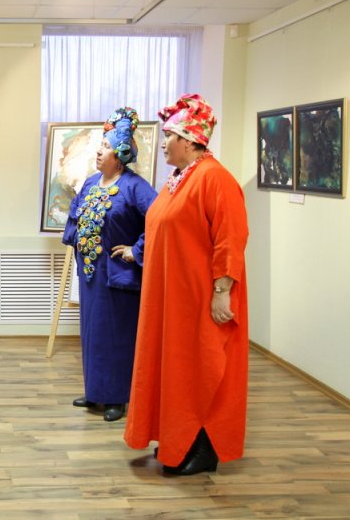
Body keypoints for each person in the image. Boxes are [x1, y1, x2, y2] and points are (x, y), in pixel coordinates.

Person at [123, 94, 249, 476]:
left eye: (169, 136)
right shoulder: (179, 178)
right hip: (171, 297)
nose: (163, 142)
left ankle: (204, 447)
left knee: (201, 368)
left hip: (199, 296)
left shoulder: (215, 179)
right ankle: (176, 437)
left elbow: (230, 239)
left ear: (191, 140)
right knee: (175, 368)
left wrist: (222, 292)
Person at [62, 107, 158, 422]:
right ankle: (95, 392)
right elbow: (76, 215)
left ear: (120, 154)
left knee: (117, 335)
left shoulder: (135, 187)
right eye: (99, 146)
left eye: (105, 147)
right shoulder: (91, 183)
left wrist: (136, 250)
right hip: (92, 275)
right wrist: (78, 242)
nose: (99, 152)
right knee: (92, 333)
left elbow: (160, 221)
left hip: (118, 276)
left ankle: (117, 396)